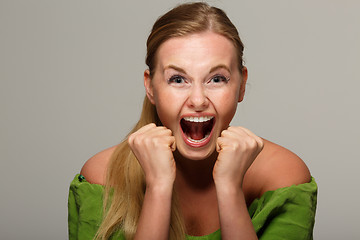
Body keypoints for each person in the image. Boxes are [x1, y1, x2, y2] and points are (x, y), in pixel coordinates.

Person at [68, 2, 317, 240]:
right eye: (177, 79)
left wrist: (230, 189)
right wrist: (158, 186)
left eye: (216, 79)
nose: (198, 100)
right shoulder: (102, 178)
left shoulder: (283, 177)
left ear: (241, 85)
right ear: (150, 87)